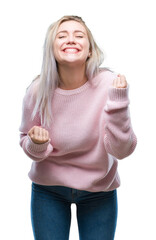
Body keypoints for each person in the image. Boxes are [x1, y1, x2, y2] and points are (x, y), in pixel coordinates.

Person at [19, 15, 137, 240]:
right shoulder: (37, 91)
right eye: (62, 36)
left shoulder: (109, 85)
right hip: (49, 190)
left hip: (99, 190)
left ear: (90, 50)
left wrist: (119, 104)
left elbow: (122, 150)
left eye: (79, 35)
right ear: (52, 50)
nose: (70, 40)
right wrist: (36, 143)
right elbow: (25, 141)